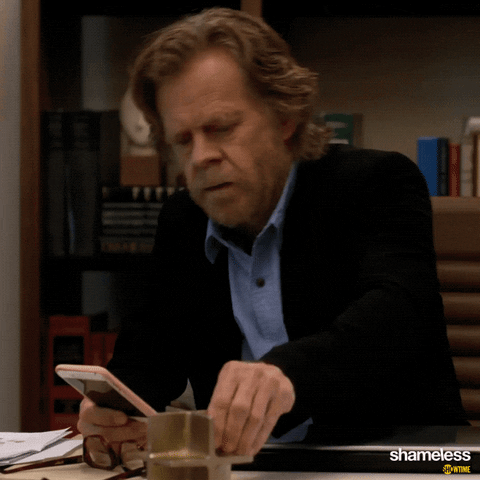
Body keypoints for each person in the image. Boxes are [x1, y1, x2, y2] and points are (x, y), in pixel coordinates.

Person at [78, 7, 467, 458]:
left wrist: (284, 374)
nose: (200, 157)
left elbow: (395, 317)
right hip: (245, 467)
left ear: (286, 117)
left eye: (221, 128)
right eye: (183, 140)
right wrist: (113, 412)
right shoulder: (183, 219)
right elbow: (148, 356)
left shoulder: (375, 183)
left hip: (399, 460)